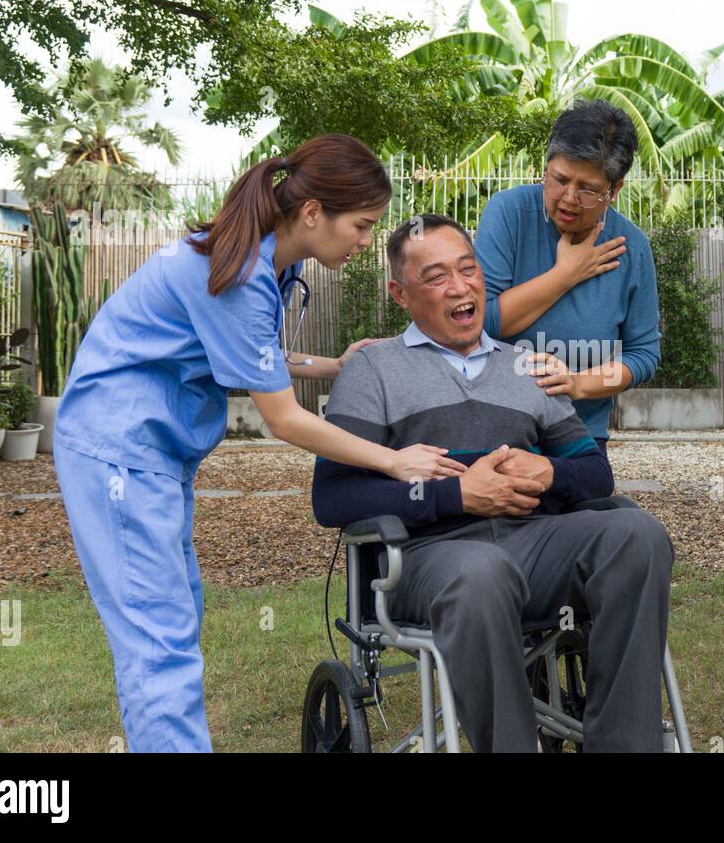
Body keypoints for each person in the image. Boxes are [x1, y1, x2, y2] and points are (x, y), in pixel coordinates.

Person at [53, 134, 467, 753]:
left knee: (173, 617)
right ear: (311, 214)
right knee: (157, 635)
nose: (364, 242)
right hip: (118, 450)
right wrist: (393, 459)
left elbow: (256, 355)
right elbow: (284, 420)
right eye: (361, 225)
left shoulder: (273, 261)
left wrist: (332, 365)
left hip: (153, 455)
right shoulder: (242, 271)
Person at [313, 214, 675, 752]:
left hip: (533, 542)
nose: (461, 287)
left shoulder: (529, 366)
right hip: (430, 554)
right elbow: (334, 496)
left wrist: (549, 472)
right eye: (436, 277)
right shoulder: (372, 371)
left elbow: (596, 474)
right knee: (482, 572)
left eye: (468, 269)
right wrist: (455, 494)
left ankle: (622, 744)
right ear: (400, 293)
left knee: (638, 535)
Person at [475, 99, 661, 455]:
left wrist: (578, 383)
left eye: (588, 189)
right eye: (559, 180)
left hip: (578, 433)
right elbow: (481, 322)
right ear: (546, 169)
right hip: (493, 423)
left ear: (615, 190)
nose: (569, 199)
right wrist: (565, 275)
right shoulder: (509, 212)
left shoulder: (631, 248)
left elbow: (642, 355)